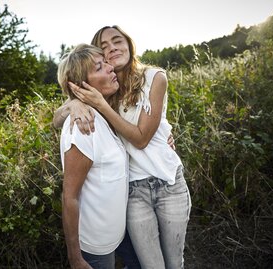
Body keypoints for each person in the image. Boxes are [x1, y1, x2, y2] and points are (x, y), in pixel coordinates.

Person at [54, 26, 191, 269]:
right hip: (134, 190)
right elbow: (57, 117)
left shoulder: (150, 78)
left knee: (174, 262)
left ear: (129, 43)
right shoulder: (106, 93)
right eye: (104, 48)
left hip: (168, 181)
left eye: (117, 41)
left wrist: (166, 134)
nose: (112, 48)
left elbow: (142, 138)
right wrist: (74, 103)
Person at [58, 43, 129, 269]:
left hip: (114, 235)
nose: (110, 68)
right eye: (100, 67)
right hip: (95, 247)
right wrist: (76, 258)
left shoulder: (101, 114)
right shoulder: (82, 127)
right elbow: (70, 197)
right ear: (81, 86)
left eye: (106, 63)